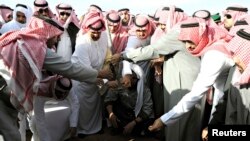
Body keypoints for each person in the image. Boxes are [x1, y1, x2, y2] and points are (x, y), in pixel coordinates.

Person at [0, 15, 112, 140]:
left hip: (7, 96)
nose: (57, 40)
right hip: (3, 97)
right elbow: (70, 69)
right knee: (12, 136)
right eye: (56, 36)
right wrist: (98, 74)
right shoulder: (37, 48)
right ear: (47, 33)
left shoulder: (20, 38)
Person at [147, 17, 237, 139]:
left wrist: (164, 120)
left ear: (201, 35)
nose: (188, 46)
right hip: (228, 98)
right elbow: (220, 90)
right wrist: (213, 123)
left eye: (191, 40)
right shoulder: (211, 43)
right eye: (184, 41)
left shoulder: (214, 55)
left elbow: (196, 93)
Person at [70, 11, 111, 137]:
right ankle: (82, 131)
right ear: (87, 29)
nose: (96, 34)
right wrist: (104, 75)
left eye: (98, 32)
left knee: (95, 107)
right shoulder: (82, 43)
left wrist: (106, 68)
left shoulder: (103, 36)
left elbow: (107, 53)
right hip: (82, 80)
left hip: (96, 80)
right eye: (93, 32)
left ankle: (96, 128)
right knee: (82, 108)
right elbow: (86, 70)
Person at [104, 61, 154, 136]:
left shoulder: (144, 90)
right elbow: (109, 98)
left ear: (134, 78)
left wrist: (133, 123)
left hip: (137, 116)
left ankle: (128, 128)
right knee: (108, 108)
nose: (124, 82)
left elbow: (147, 110)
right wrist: (111, 114)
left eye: (127, 78)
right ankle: (118, 127)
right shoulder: (120, 83)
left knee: (145, 127)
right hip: (125, 113)